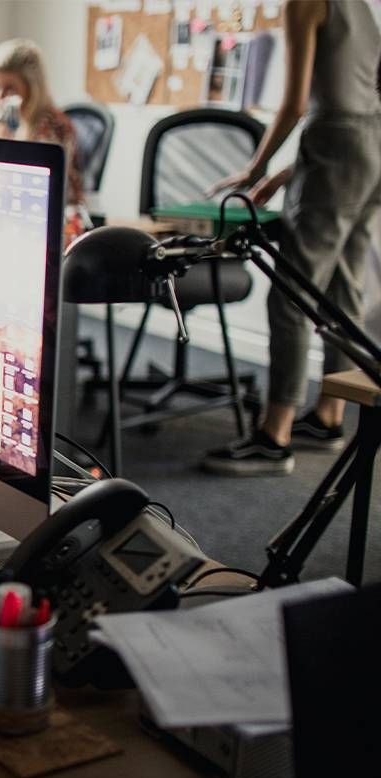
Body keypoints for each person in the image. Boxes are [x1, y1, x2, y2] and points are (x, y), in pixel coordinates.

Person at [202, 0, 381, 476]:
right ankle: (328, 415)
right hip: (370, 145)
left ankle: (274, 436)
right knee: (342, 290)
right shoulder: (361, 6)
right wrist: (289, 171)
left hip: (335, 143)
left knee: (292, 293)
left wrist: (254, 167)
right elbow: (357, 98)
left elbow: (298, 103)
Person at [0, 38, 86, 211]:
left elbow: (36, 188)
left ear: (32, 87)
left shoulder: (53, 127)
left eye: (10, 87)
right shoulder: (6, 122)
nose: (1, 96)